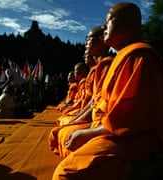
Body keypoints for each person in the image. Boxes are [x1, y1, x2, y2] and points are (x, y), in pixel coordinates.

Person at [52, 2, 163, 180]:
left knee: (66, 173)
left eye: (108, 21)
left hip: (134, 137)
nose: (103, 26)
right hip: (109, 128)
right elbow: (99, 103)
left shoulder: (140, 57)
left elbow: (128, 118)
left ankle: (148, 171)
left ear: (129, 23)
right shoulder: (121, 58)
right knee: (63, 136)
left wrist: (88, 132)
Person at [49, 25, 113, 158]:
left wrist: (86, 127)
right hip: (95, 120)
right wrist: (76, 119)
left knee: (64, 131)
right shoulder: (97, 71)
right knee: (62, 128)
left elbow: (98, 105)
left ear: (101, 40)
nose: (86, 44)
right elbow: (91, 102)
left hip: (105, 125)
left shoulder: (110, 66)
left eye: (89, 39)